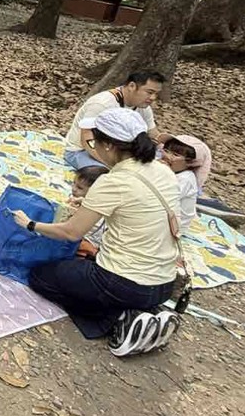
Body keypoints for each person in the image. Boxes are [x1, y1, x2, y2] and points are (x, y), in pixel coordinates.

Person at [21, 108, 187, 356]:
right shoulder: (163, 171)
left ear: (108, 145)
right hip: (163, 283)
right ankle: (147, 311)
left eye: (93, 142)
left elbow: (71, 232)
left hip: (120, 281)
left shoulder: (112, 182)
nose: (93, 148)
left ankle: (119, 318)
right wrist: (89, 205)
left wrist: (30, 224)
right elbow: (135, 211)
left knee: (40, 277)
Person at [63, 71, 165, 171]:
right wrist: (114, 166)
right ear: (132, 86)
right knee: (107, 176)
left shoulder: (143, 107)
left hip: (116, 153)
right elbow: (86, 139)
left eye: (156, 94)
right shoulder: (102, 103)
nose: (153, 98)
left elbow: (153, 133)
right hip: (83, 151)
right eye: (150, 92)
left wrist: (167, 148)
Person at [159, 135, 209, 223]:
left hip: (173, 225)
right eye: (166, 151)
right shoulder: (165, 168)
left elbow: (163, 199)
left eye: (175, 155)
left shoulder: (186, 179)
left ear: (190, 162)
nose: (167, 156)